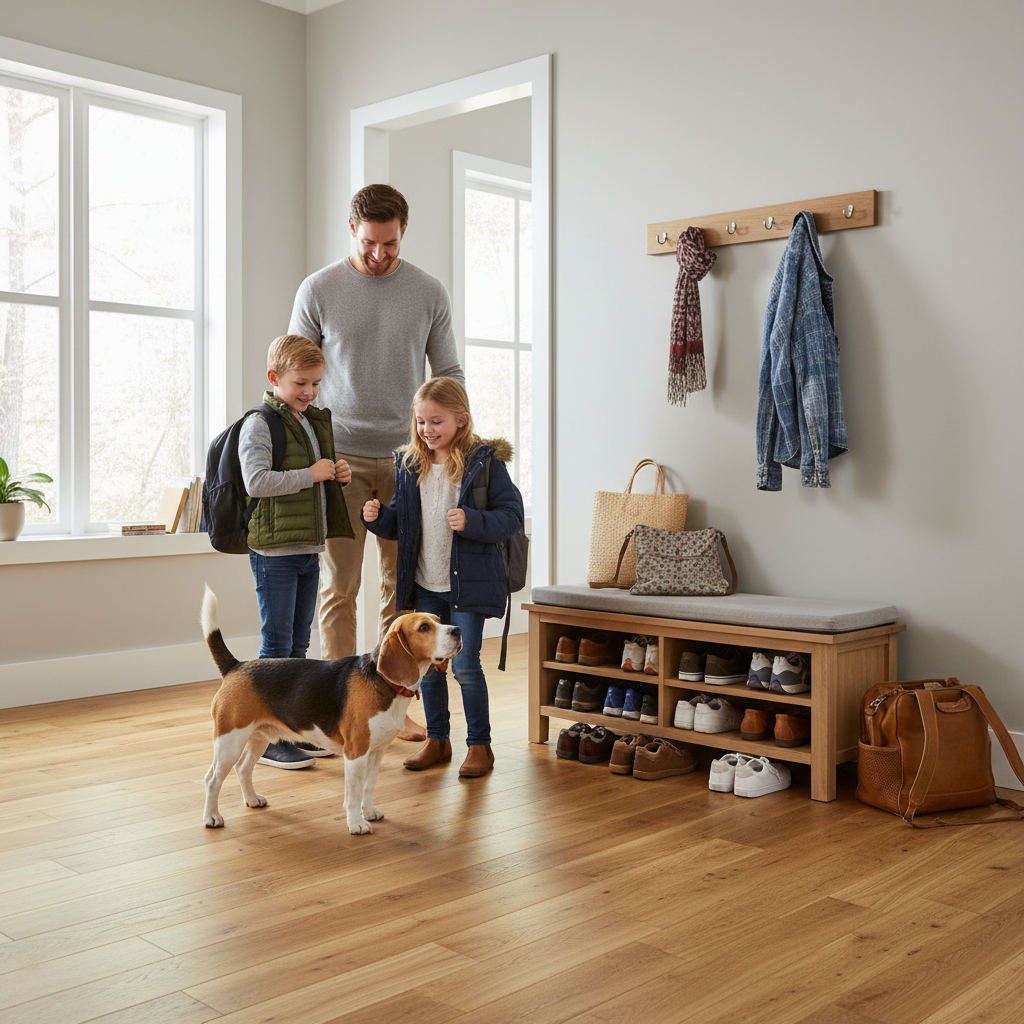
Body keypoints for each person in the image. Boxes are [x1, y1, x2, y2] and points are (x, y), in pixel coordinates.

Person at [289, 183, 463, 741]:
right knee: (339, 586)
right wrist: (307, 451)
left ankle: (392, 707)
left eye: (389, 244)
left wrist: (448, 437)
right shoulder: (319, 289)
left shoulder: (428, 292)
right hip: (338, 459)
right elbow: (296, 375)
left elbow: (449, 374)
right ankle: (342, 707)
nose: (379, 254)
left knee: (400, 588)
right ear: (351, 228)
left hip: (406, 462)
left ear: (403, 232)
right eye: (369, 243)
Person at [362, 377, 524, 778]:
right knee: (427, 667)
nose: (427, 430)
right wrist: (380, 517)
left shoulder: (485, 464)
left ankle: (480, 746)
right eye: (420, 422)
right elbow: (402, 523)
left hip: (466, 586)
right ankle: (438, 739)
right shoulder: (409, 464)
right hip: (425, 583)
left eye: (436, 421)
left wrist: (472, 520)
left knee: (466, 665)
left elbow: (512, 517)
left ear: (461, 420)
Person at [239, 334, 353, 768]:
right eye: (300, 383)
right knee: (277, 646)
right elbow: (257, 482)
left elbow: (313, 476)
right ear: (274, 378)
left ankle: (291, 728)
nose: (308, 392)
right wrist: (310, 473)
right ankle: (267, 739)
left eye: (316, 384)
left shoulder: (307, 420)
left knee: (299, 645)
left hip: (307, 546)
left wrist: (334, 473)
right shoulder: (260, 424)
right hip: (274, 553)